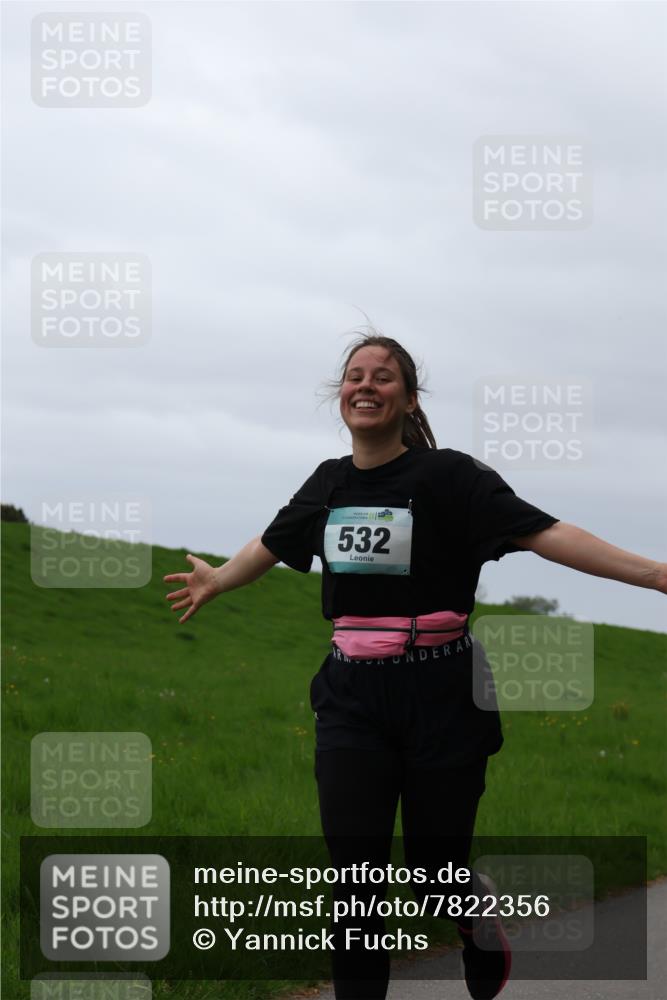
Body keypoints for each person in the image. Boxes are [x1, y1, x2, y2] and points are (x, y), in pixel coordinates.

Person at [164, 333, 667, 1000]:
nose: (365, 385)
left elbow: (545, 532)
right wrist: (219, 580)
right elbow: (273, 538)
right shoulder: (327, 482)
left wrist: (656, 574)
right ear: (339, 394)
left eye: (383, 376)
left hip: (442, 691)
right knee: (356, 883)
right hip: (351, 697)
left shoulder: (448, 477)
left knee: (433, 873)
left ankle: (471, 914)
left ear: (408, 398)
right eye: (354, 376)